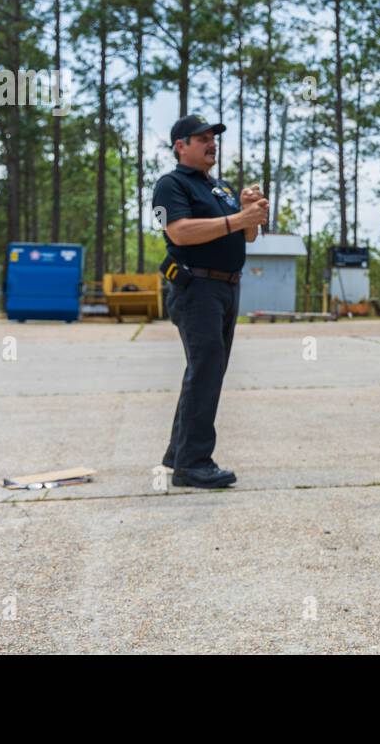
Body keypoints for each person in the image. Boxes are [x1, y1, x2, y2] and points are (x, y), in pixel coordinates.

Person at [152, 115, 268, 489]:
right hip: (196, 289)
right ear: (180, 146)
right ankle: (193, 464)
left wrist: (251, 211)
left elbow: (248, 235)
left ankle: (178, 453)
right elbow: (180, 232)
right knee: (205, 370)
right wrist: (239, 218)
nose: (210, 144)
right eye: (200, 138)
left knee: (207, 372)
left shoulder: (221, 189)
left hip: (227, 288)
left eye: (213, 138)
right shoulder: (170, 185)